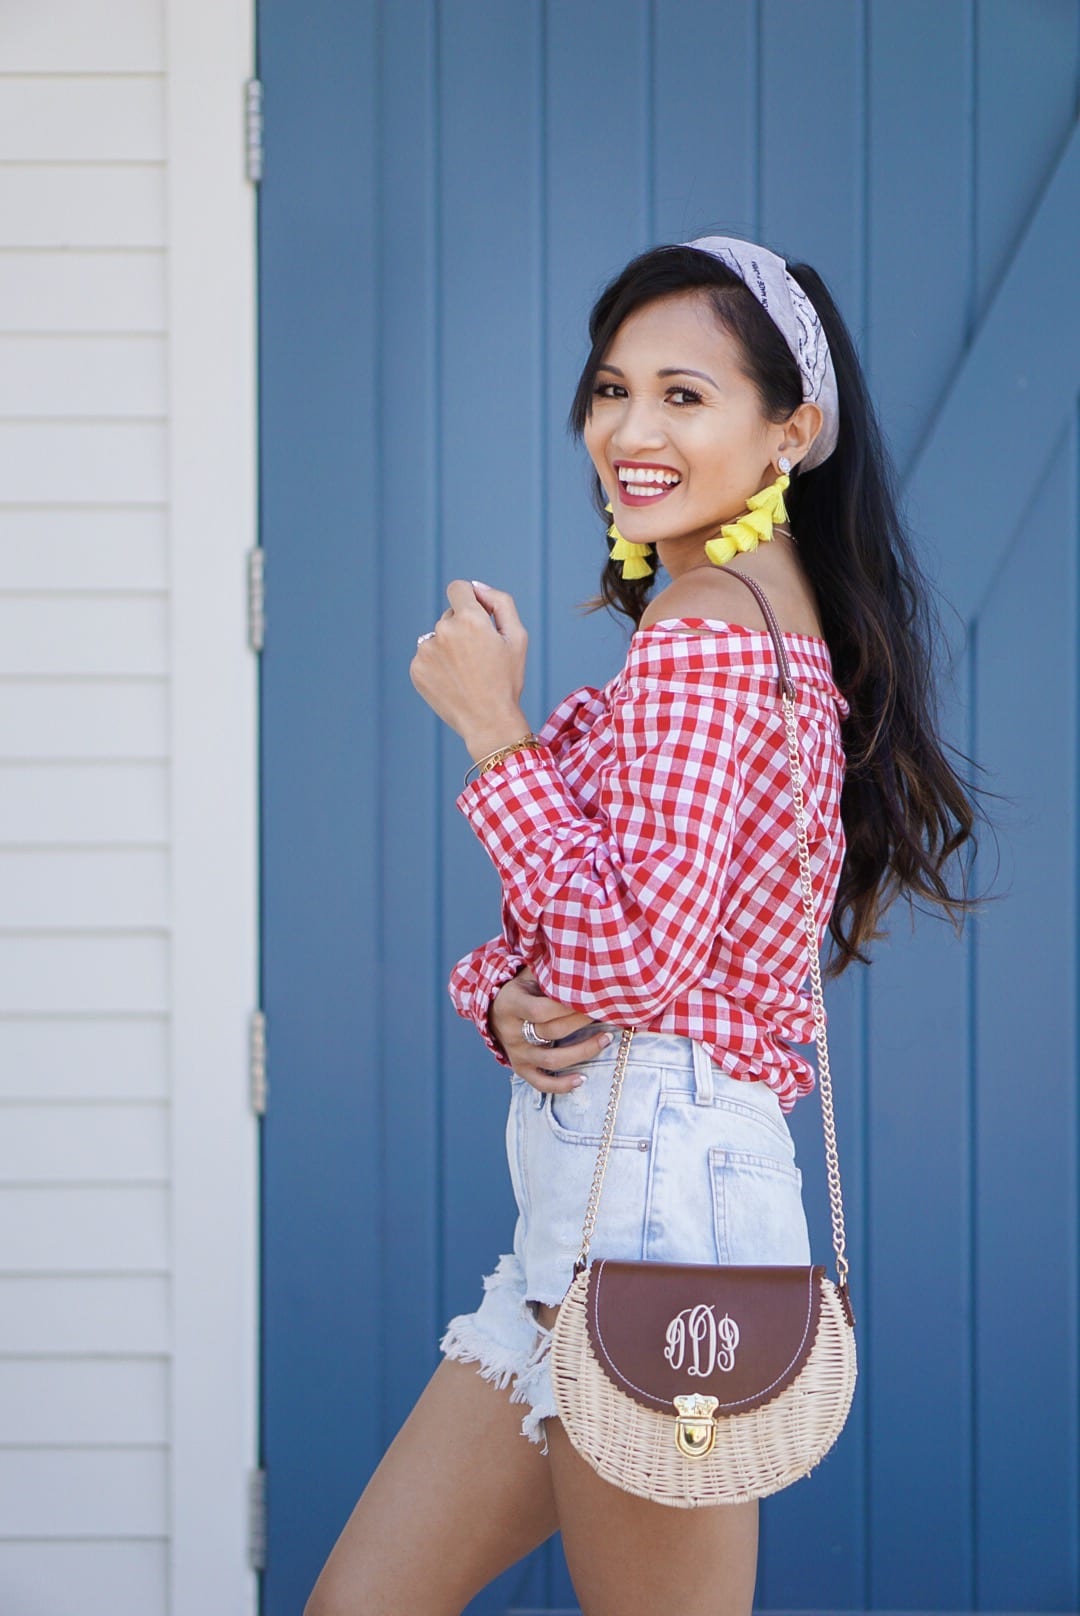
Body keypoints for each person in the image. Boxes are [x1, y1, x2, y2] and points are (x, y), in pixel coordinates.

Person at [304, 235, 990, 1616]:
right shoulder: (744, 618)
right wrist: (498, 991)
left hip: (666, 1225)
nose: (630, 429)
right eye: (613, 389)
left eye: (686, 395)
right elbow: (607, 933)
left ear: (788, 430)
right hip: (603, 1219)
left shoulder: (703, 634)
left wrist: (492, 729)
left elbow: (632, 959)